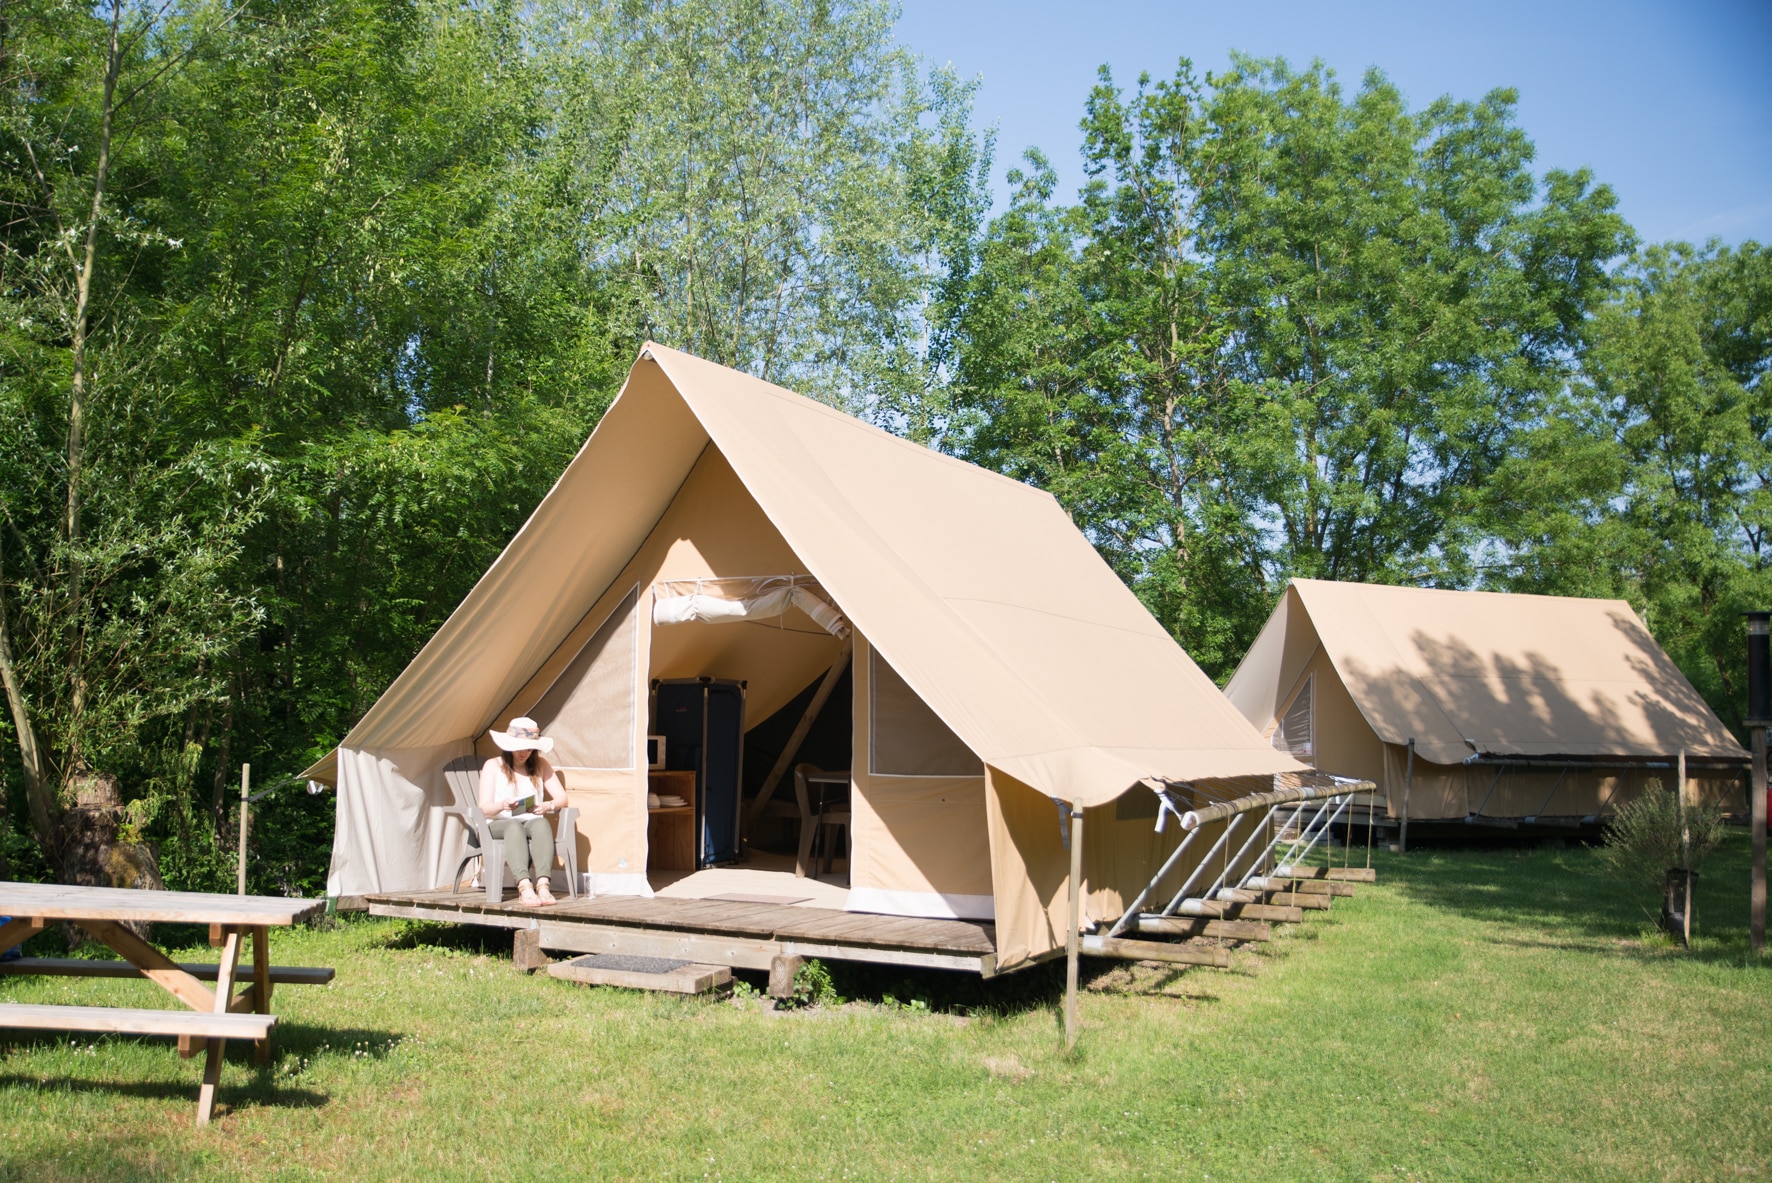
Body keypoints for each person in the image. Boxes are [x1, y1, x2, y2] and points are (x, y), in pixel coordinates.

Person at [480, 717, 569, 907]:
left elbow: (562, 798)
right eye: (519, 748)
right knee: (513, 826)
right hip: (498, 822)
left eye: (528, 749)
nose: (523, 753)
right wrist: (503, 805)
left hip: (529, 819)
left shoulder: (540, 765)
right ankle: (524, 886)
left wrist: (546, 806)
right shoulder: (493, 766)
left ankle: (543, 885)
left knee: (542, 823)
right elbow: (484, 808)